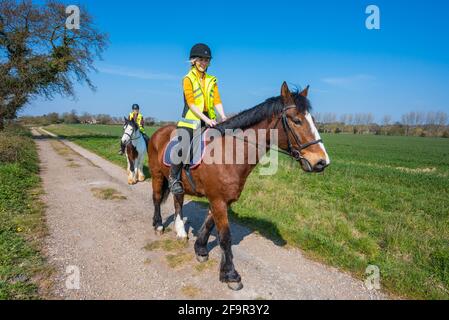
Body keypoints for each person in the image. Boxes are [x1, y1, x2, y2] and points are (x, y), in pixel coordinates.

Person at [168, 43, 227, 195]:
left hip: (209, 119)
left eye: (207, 60)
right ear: (193, 61)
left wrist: (224, 116)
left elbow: (217, 101)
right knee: (183, 145)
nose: (204, 63)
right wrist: (205, 120)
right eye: (201, 59)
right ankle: (173, 178)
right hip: (190, 119)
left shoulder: (212, 80)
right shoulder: (188, 79)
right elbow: (191, 103)